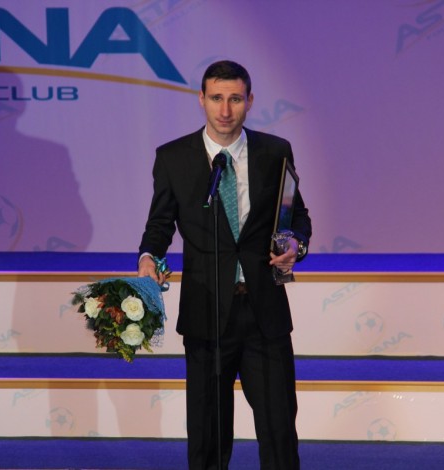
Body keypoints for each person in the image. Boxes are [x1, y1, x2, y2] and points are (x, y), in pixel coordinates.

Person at [137, 60, 311, 469]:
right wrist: (148, 258)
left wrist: (295, 245)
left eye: (235, 99)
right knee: (208, 436)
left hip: (263, 310)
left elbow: (296, 216)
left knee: (279, 430)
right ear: (201, 99)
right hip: (206, 312)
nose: (225, 110)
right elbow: (160, 224)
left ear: (250, 101)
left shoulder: (275, 151)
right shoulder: (174, 157)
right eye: (216, 98)